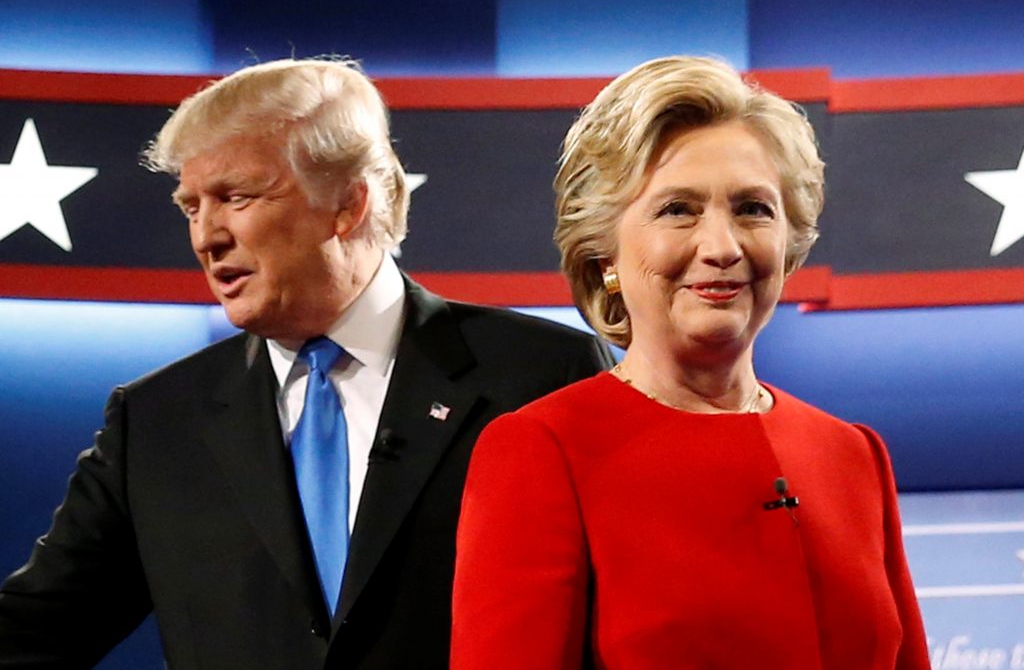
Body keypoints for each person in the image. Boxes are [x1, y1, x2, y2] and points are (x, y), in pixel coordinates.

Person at [0, 58, 612, 669]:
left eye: (235, 197)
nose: (205, 236)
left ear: (347, 205)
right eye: (191, 207)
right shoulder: (156, 423)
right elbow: (33, 634)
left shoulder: (537, 377)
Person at [451, 56, 930, 670]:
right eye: (678, 209)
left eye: (753, 209)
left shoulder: (852, 457)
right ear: (606, 258)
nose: (723, 246)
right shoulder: (543, 452)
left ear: (789, 243)